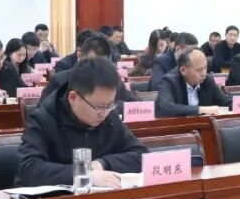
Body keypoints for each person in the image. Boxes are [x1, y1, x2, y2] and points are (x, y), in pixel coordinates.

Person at [16, 57, 148, 187]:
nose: (104, 113)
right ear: (73, 98)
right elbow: (29, 169)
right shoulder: (42, 119)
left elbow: (141, 155)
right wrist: (84, 174)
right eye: (99, 106)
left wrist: (102, 164)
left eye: (110, 105)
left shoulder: (108, 115)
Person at [41, 33, 138, 103]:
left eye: (102, 64)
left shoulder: (111, 79)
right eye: (91, 63)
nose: (95, 69)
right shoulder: (60, 80)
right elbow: (42, 114)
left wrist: (108, 108)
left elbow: (133, 102)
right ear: (80, 56)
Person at [156, 49, 233, 117]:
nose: (203, 73)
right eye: (199, 70)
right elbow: (166, 107)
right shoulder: (169, 81)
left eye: (205, 67)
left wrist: (238, 103)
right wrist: (202, 110)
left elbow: (225, 101)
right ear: (183, 70)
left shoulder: (208, 80)